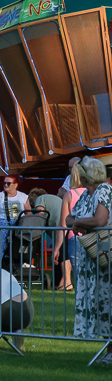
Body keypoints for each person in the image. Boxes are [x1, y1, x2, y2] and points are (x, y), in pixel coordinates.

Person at [66, 155, 112, 365]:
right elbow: (68, 218)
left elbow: (100, 219)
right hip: (90, 259)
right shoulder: (85, 195)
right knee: (100, 303)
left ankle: (110, 349)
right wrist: (79, 222)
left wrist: (79, 223)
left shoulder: (104, 190)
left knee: (107, 302)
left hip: (104, 259)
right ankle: (109, 349)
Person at [55, 162, 87, 292]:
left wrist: (57, 247)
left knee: (79, 277)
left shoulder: (70, 195)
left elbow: (63, 224)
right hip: (92, 236)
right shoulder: (94, 193)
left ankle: (81, 308)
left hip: (74, 237)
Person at [0, 175, 28, 268]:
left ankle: (16, 269)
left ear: (15, 185)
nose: (6, 185)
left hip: (19, 227)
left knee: (17, 249)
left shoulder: (23, 197)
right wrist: (0, 220)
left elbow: (28, 213)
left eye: (8, 183)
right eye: (4, 183)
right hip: (2, 226)